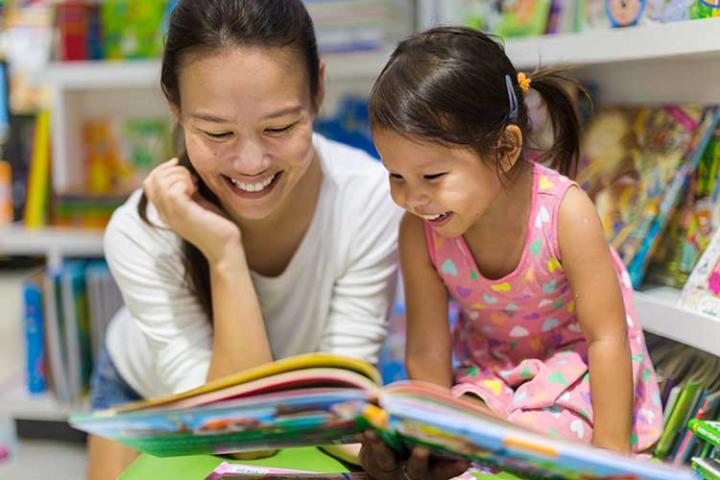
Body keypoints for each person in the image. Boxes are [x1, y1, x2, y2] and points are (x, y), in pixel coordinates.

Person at [86, 1, 403, 478]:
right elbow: (239, 437)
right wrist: (224, 254)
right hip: (145, 393)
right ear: (174, 105)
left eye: (279, 127)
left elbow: (337, 402)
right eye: (217, 132)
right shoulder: (141, 233)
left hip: (297, 414)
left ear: (318, 88)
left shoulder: (370, 202)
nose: (251, 162)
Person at [361, 26, 663, 477]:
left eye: (432, 177)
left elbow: (607, 339)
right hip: (491, 372)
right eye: (396, 176)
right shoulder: (419, 230)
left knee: (540, 438)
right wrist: (428, 429)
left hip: (575, 371)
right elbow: (426, 350)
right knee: (436, 425)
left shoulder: (566, 213)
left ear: (505, 150)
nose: (412, 198)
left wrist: (611, 453)